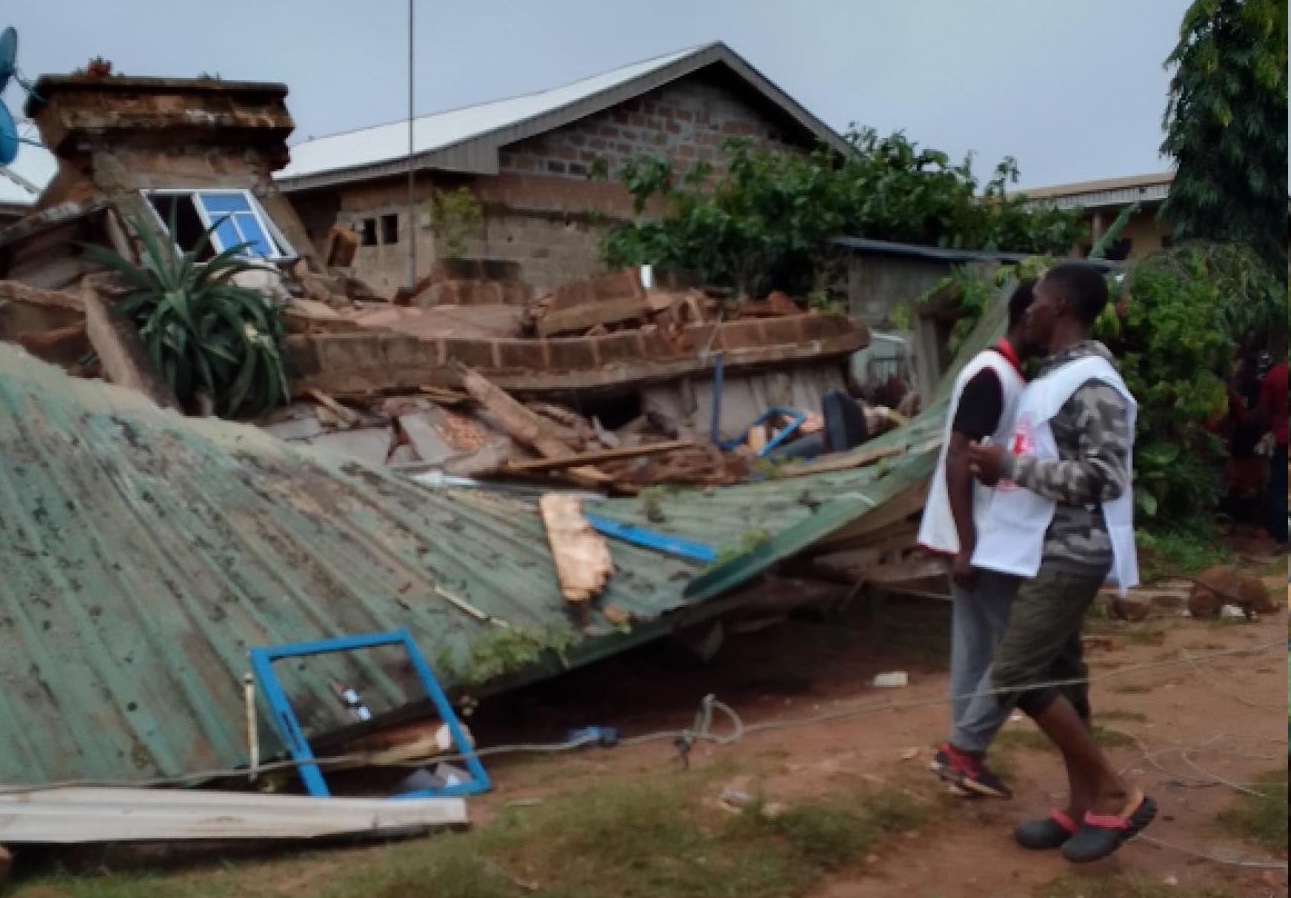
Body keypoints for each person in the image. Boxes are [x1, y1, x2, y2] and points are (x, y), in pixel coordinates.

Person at [967, 263, 1154, 864]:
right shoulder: (1056, 377)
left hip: (1075, 550)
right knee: (1066, 681)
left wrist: (1009, 467)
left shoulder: (1093, 383)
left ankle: (1116, 792)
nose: (1029, 308)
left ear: (1064, 308)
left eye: (1040, 299)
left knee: (1015, 671)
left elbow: (1105, 477)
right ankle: (1081, 806)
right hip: (1043, 546)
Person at [917, 278, 1038, 799]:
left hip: (972, 533)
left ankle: (963, 754)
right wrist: (967, 546)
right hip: (977, 538)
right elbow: (958, 457)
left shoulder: (1005, 373)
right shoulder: (992, 374)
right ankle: (965, 749)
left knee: (974, 647)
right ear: (1030, 316)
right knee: (1020, 650)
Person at [1254, 354, 1288, 548]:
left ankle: (1282, 536)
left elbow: (1263, 410)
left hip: (1283, 437)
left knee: (1280, 488)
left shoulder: (1276, 374)